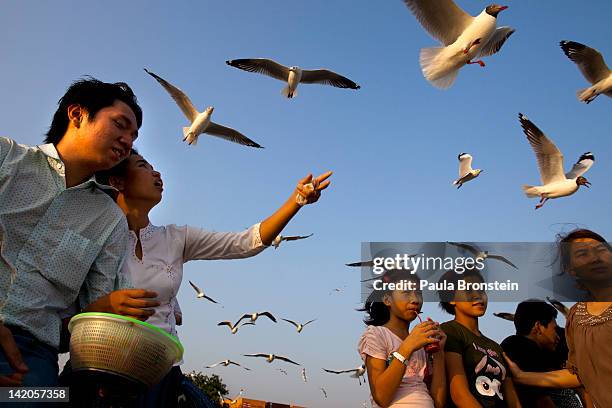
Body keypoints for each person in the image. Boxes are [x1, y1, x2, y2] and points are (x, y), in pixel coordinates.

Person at [92, 150, 332, 407]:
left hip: (165, 373)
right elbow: (62, 307)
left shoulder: (175, 238)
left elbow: (245, 243)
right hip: (110, 374)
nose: (156, 172)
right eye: (143, 166)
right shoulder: (96, 237)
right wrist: (105, 307)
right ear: (117, 182)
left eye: (154, 166)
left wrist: (297, 200)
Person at [0, 78, 158, 387]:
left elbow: (90, 327)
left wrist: (104, 313)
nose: (128, 141)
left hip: (30, 361)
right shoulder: (6, 159)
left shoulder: (110, 219)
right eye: (120, 125)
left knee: (47, 401)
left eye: (134, 135)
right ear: (77, 115)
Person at [505, 229, 612, 408]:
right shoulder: (577, 317)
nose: (595, 258)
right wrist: (522, 376)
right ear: (571, 270)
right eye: (582, 253)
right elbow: (579, 375)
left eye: (601, 250)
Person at [358, 269, 447, 407]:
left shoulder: (422, 343)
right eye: (406, 292)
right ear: (387, 299)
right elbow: (381, 397)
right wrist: (408, 346)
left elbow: (439, 403)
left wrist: (439, 353)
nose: (415, 300)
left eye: (419, 293)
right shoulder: (377, 334)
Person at [438, 268, 521, 408]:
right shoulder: (449, 331)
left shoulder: (495, 346)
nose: (478, 295)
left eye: (481, 290)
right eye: (469, 290)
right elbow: (459, 394)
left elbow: (512, 397)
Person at [501, 299, 583, 408]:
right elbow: (541, 399)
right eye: (554, 329)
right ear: (538, 326)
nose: (557, 336)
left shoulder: (543, 352)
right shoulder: (522, 348)